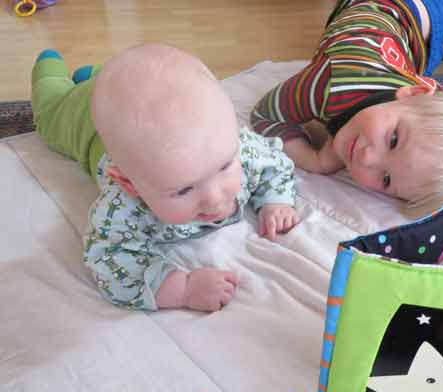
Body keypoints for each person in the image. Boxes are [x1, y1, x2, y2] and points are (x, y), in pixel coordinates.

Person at [31, 43, 299, 312]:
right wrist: (181, 289)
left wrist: (275, 200)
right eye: (183, 190)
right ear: (129, 184)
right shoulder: (123, 209)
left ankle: (95, 74)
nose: (214, 198)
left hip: (125, 102)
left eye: (225, 167)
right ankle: (52, 70)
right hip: (84, 124)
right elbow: (110, 260)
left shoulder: (237, 150)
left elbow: (274, 162)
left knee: (122, 83)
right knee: (51, 115)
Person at [250, 0, 443, 215]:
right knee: (441, 14)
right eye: (393, 140)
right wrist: (315, 160)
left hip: (402, 43)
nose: (366, 159)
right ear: (414, 91)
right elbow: (265, 114)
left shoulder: (420, 105)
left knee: (430, 48)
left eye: (386, 179)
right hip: (402, 8)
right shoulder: (329, 81)